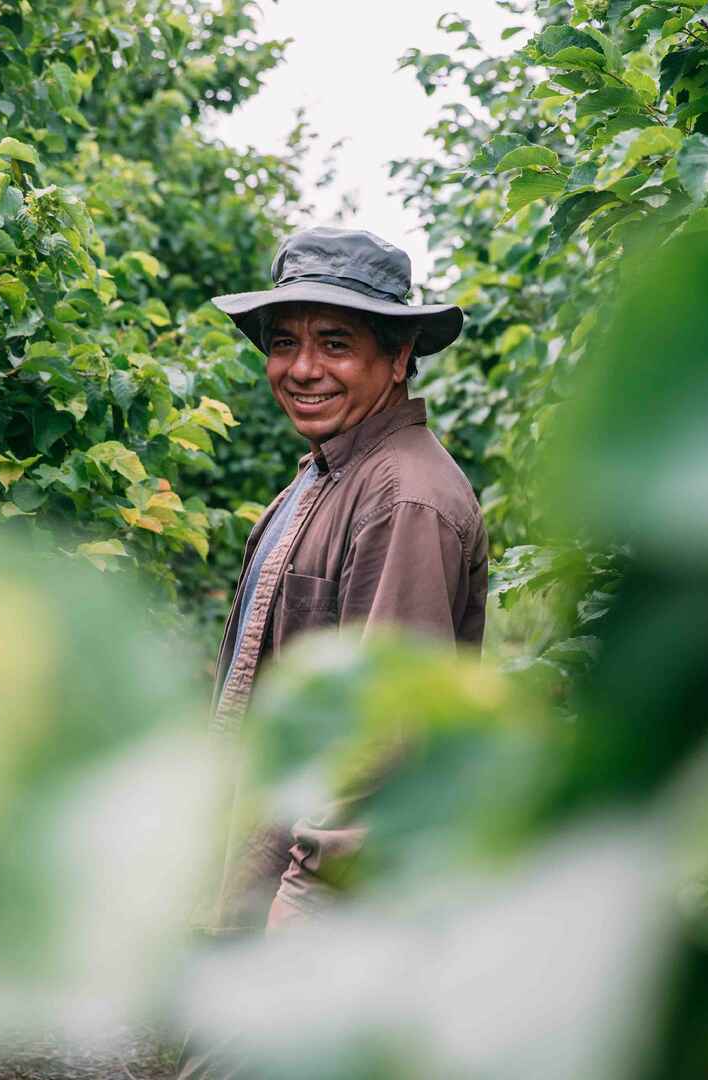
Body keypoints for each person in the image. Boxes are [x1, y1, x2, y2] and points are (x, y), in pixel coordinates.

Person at [206, 225, 489, 934]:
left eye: (335, 343)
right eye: (283, 343)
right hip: (269, 873)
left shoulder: (403, 499)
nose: (302, 369)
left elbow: (383, 735)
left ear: (397, 359)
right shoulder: (324, 477)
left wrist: (301, 913)